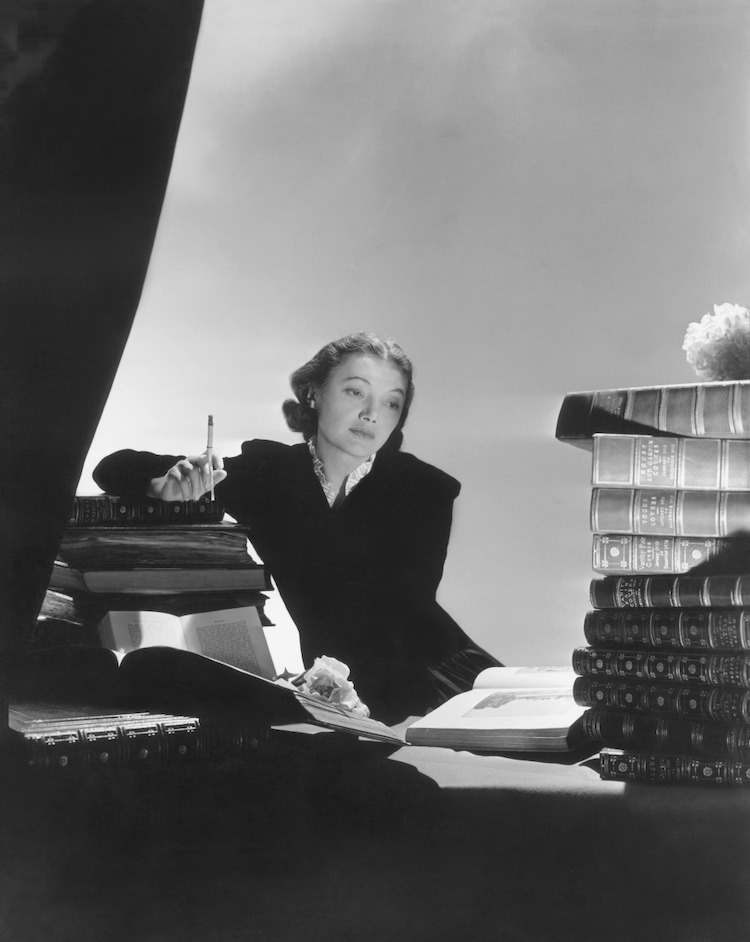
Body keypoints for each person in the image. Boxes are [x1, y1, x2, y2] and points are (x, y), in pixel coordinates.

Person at [93, 332, 502, 721]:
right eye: (355, 391)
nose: (371, 414)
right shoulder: (267, 472)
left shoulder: (425, 490)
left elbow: (398, 617)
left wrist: (327, 692)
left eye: (391, 403)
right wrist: (163, 484)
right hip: (315, 687)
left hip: (425, 678)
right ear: (314, 393)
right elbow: (113, 466)